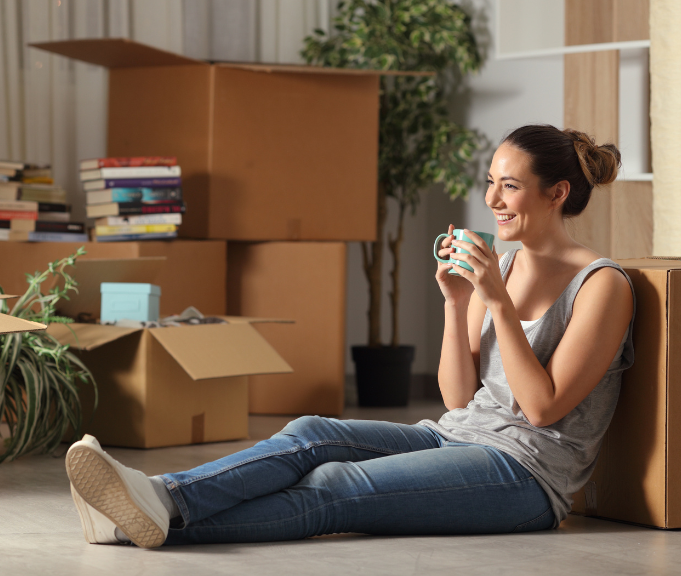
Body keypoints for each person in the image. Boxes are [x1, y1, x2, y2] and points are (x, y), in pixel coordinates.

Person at [65, 124, 635, 549]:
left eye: (509, 186)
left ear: (558, 193)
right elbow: (458, 399)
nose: (491, 201)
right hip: (456, 435)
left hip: (527, 476)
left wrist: (495, 303)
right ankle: (158, 498)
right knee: (312, 434)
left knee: (335, 486)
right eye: (490, 183)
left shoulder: (601, 285)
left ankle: (133, 521)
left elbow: (540, 408)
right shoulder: (505, 268)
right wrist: (455, 303)